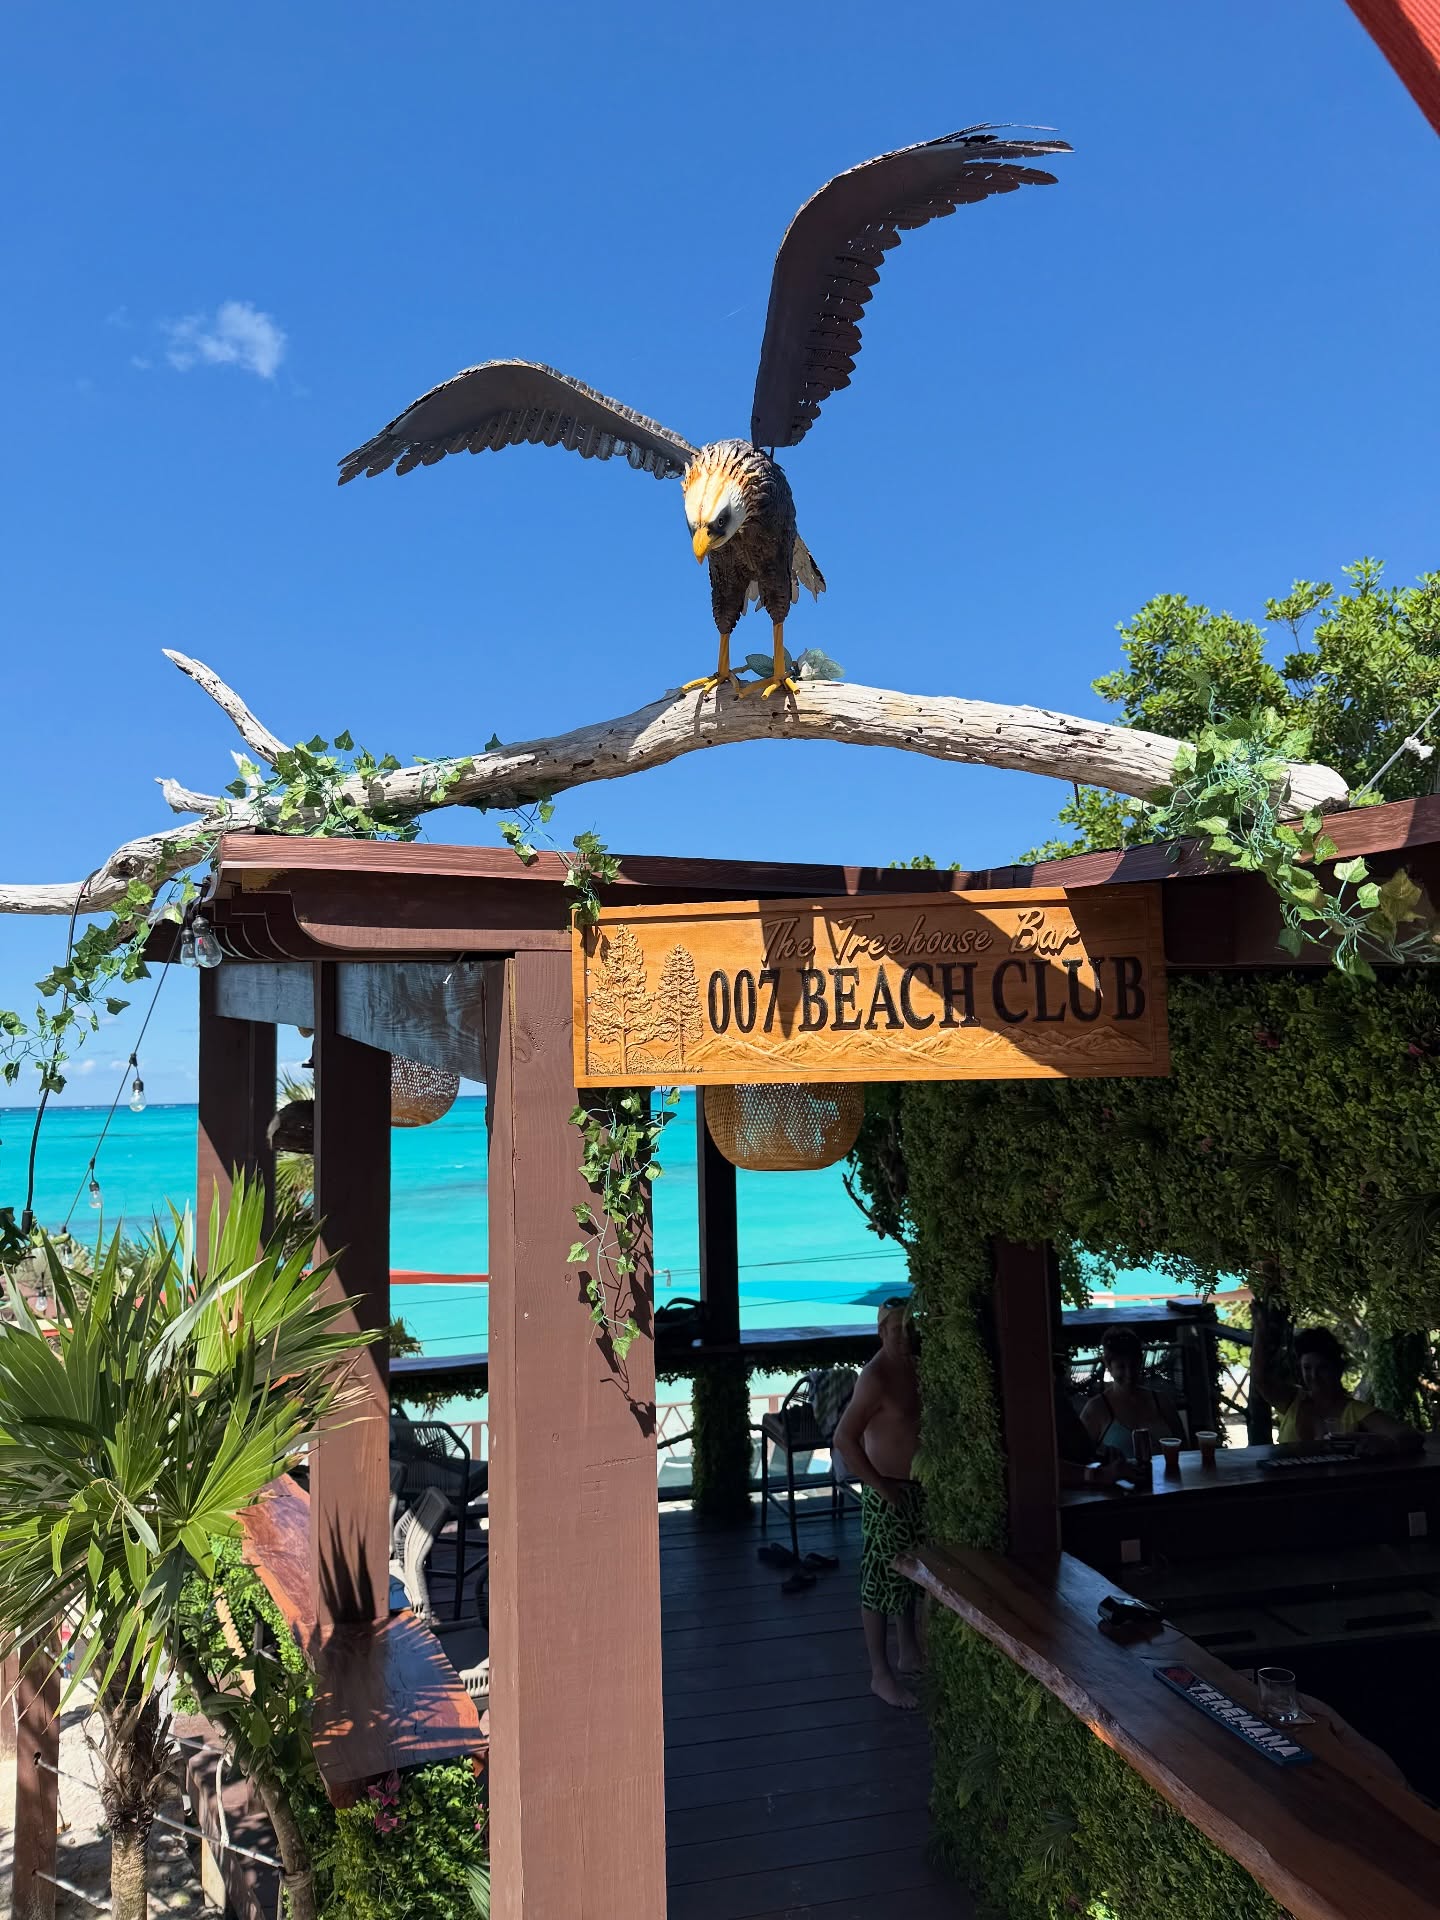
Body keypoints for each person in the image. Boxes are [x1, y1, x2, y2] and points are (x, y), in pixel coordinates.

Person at [833, 1297, 925, 1710]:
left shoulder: (918, 1364)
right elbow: (843, 1439)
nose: (904, 1335)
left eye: (909, 1327)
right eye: (896, 1329)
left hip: (918, 1488)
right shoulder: (876, 1376)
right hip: (886, 1489)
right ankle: (880, 1673)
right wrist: (879, 1487)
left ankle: (909, 1650)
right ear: (881, 1332)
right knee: (878, 1581)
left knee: (911, 1572)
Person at [1251, 1317, 1422, 1455]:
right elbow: (1260, 1379)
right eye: (1307, 1368)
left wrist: (1385, 1444)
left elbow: (1411, 1436)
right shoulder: (1292, 1401)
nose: (1314, 1376)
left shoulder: (1355, 1411)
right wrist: (1259, 1330)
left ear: (1337, 1370)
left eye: (1322, 1368)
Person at [1080, 1329, 1184, 1458]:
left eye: (1133, 1365)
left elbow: (1184, 1449)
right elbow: (1082, 1458)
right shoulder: (1096, 1409)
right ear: (1108, 1366)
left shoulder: (1162, 1401)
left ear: (1140, 1363)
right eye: (1121, 1367)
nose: (1129, 1374)